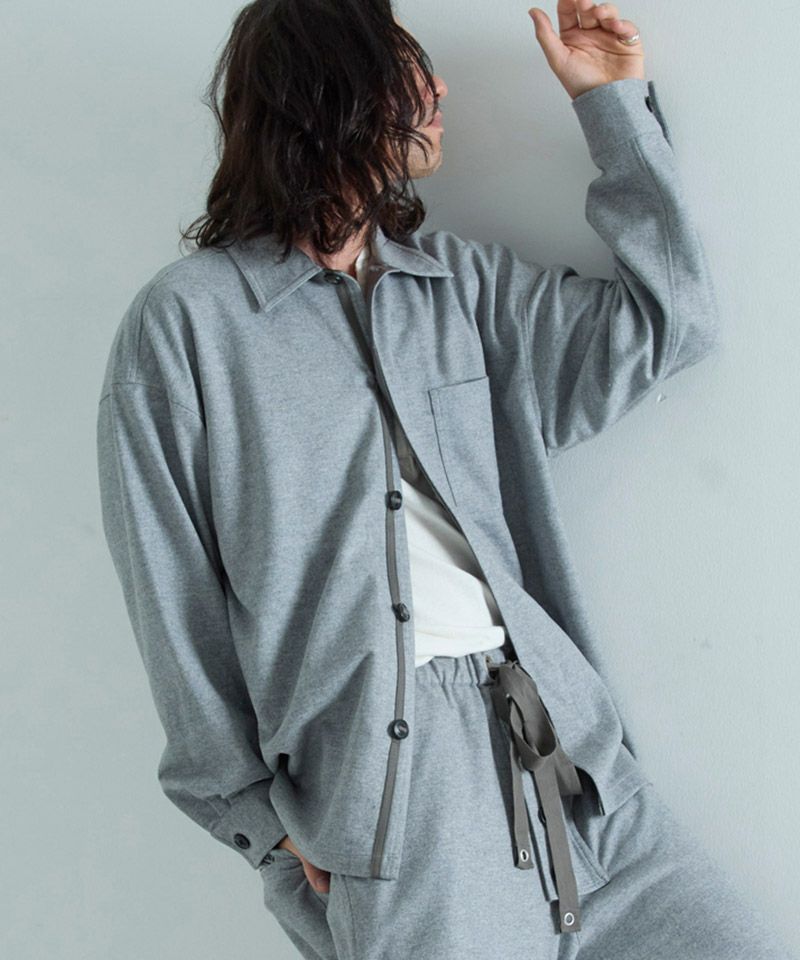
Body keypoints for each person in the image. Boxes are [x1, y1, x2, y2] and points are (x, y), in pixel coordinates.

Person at [95, 1, 795, 958]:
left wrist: (613, 106)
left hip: (574, 760)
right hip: (403, 800)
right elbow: (171, 595)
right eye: (406, 69)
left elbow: (670, 323)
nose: (438, 89)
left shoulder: (459, 289)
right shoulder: (189, 326)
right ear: (331, 91)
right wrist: (259, 826)